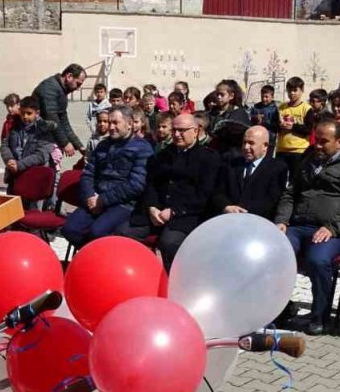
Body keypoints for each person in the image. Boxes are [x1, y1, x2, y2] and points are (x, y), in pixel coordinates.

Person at [275, 120, 340, 336]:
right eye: (316, 140)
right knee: (275, 253)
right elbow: (290, 193)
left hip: (333, 232)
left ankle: (320, 315)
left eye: (323, 142)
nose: (317, 145)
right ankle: (279, 309)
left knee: (318, 261)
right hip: (299, 226)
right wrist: (282, 220)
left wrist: (332, 228)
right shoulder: (307, 160)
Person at [120, 113, 222, 269]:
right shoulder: (162, 156)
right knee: (123, 232)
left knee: (169, 242)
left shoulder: (208, 158)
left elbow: (203, 194)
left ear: (195, 131)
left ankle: (174, 282)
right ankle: (140, 274)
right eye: (174, 130)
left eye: (182, 130)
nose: (176, 134)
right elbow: (151, 184)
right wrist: (152, 207)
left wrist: (174, 211)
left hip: (185, 214)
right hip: (157, 213)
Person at [64, 106, 153, 247]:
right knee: (70, 229)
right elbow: (88, 174)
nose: (110, 127)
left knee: (97, 232)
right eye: (109, 122)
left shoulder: (142, 148)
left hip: (123, 204)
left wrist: (103, 200)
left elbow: (136, 184)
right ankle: (90, 259)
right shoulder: (102, 146)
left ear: (129, 124)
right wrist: (90, 197)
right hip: (95, 199)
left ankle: (100, 262)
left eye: (115, 123)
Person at [212, 126, 289, 220]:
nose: (245, 147)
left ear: (265, 146)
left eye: (251, 143)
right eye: (244, 142)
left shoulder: (277, 168)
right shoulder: (232, 164)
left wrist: (243, 211)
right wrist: (226, 207)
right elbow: (218, 192)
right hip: (229, 219)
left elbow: (273, 200)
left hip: (258, 222)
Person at [0, 97, 57, 194]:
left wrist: (20, 165)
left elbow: (41, 155)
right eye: (22, 113)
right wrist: (9, 159)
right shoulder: (15, 126)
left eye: (29, 113)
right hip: (14, 176)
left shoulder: (44, 130)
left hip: (34, 178)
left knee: (32, 208)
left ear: (37, 113)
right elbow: (5, 145)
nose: (25, 117)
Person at [33, 63, 86, 156]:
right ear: (69, 76)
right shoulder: (49, 88)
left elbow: (63, 121)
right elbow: (51, 117)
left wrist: (79, 146)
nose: (78, 88)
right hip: (37, 141)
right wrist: (65, 143)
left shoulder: (60, 90)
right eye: (78, 84)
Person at [276, 76, 312, 174]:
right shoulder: (281, 107)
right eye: (289, 90)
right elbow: (274, 125)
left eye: (295, 90)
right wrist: (280, 125)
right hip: (281, 149)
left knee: (296, 179)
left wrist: (293, 127)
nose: (292, 93)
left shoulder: (307, 108)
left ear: (302, 91)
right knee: (278, 178)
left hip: (299, 150)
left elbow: (309, 129)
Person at [207, 79, 250, 153]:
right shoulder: (213, 113)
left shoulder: (238, 113)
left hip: (232, 154)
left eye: (222, 94)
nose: (219, 97)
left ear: (231, 96)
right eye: (217, 94)